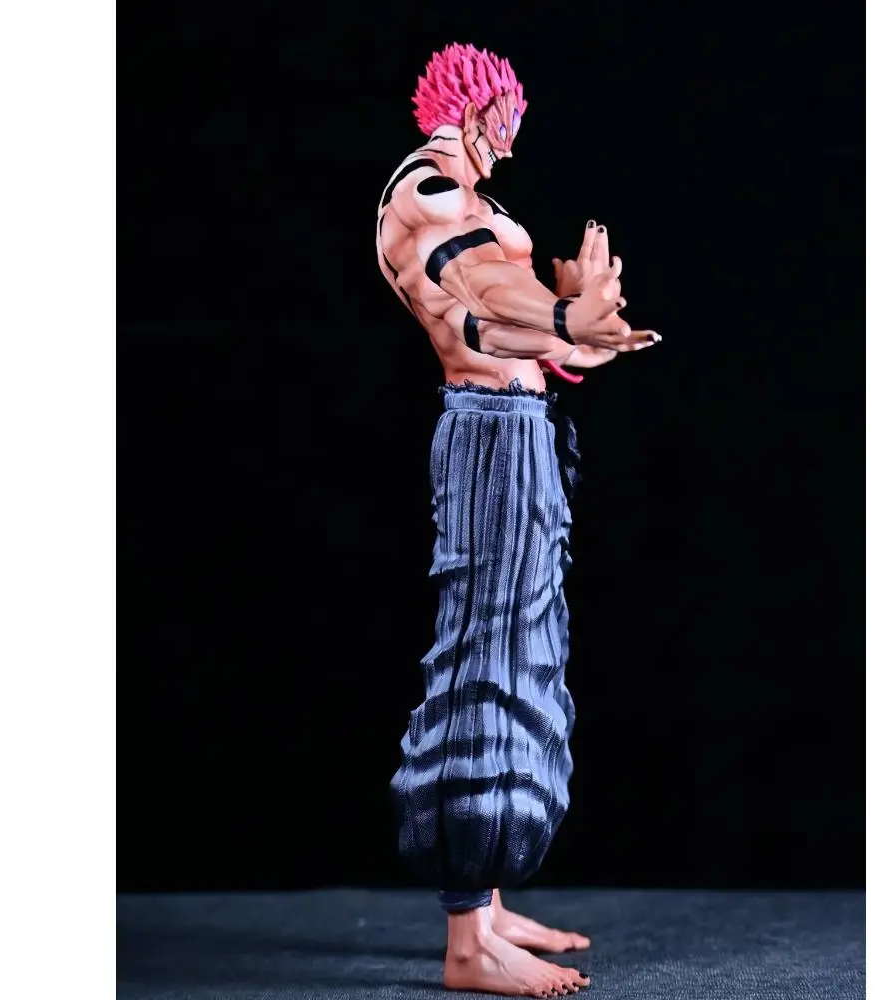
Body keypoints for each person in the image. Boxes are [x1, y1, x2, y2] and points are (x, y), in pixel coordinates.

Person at [376, 42, 660, 997]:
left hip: (520, 430)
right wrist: (564, 319)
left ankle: (489, 905)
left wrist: (581, 328)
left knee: (524, 652)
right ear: (475, 108)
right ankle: (468, 939)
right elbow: (477, 298)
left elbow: (509, 320)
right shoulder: (429, 194)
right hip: (491, 436)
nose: (511, 142)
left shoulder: (468, 196)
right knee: (484, 661)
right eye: (506, 122)